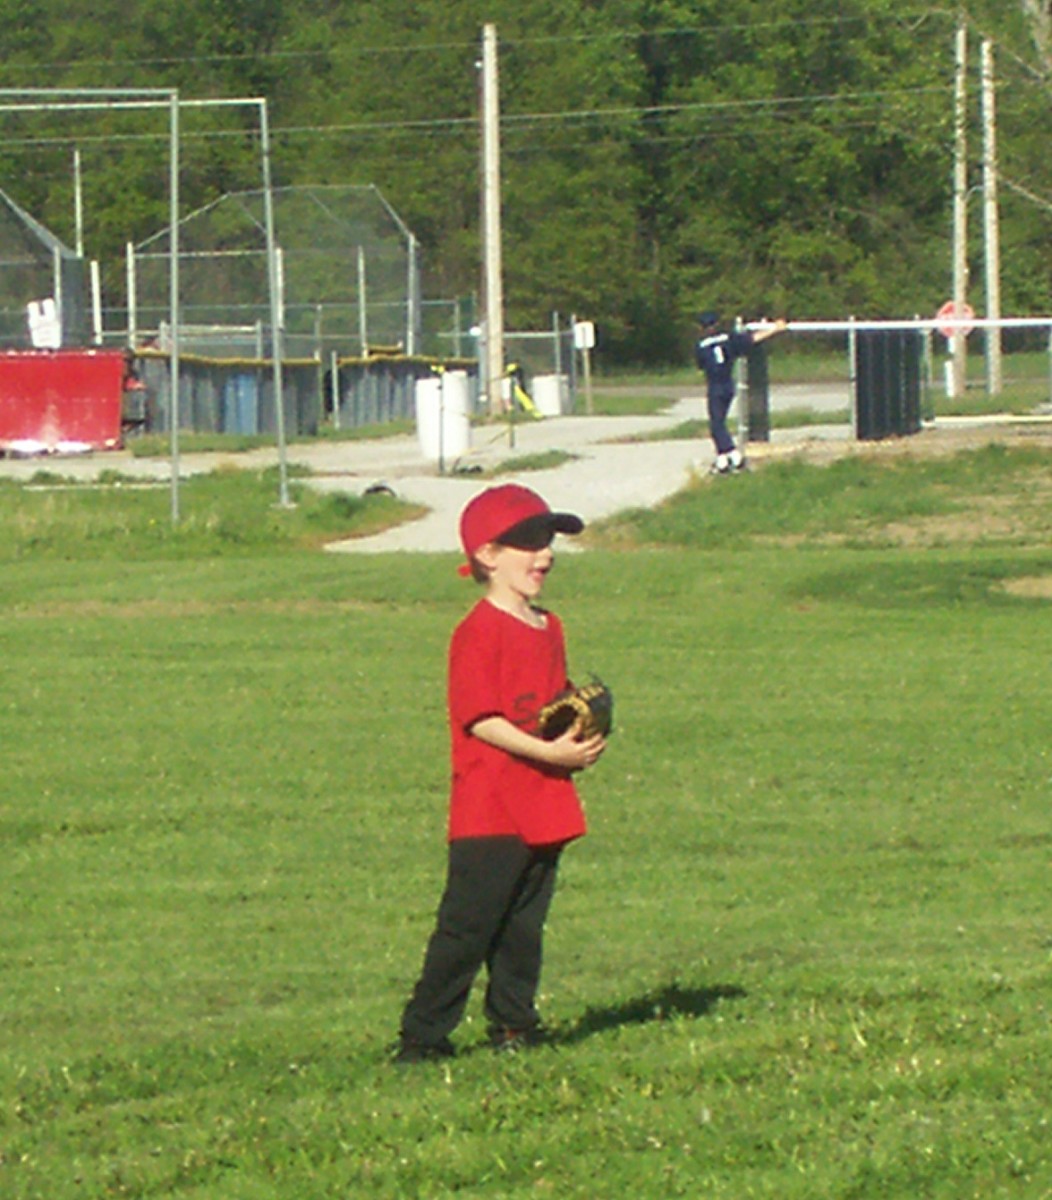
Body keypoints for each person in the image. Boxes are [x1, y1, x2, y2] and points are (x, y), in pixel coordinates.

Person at [395, 483, 606, 1064]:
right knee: (468, 929)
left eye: (548, 541)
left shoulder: (549, 626)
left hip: (544, 801)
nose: (545, 554)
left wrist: (579, 734)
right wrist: (551, 755)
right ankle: (423, 1037)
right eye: (530, 542)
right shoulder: (477, 631)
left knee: (523, 929)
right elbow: (481, 719)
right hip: (490, 809)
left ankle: (514, 1026)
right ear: (488, 555)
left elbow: (549, 704)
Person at [694, 310, 787, 475]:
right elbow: (752, 339)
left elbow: (701, 365)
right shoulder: (728, 338)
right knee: (718, 423)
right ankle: (722, 459)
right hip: (728, 383)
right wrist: (774, 329)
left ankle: (734, 456)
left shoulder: (701, 345)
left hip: (715, 385)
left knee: (716, 424)